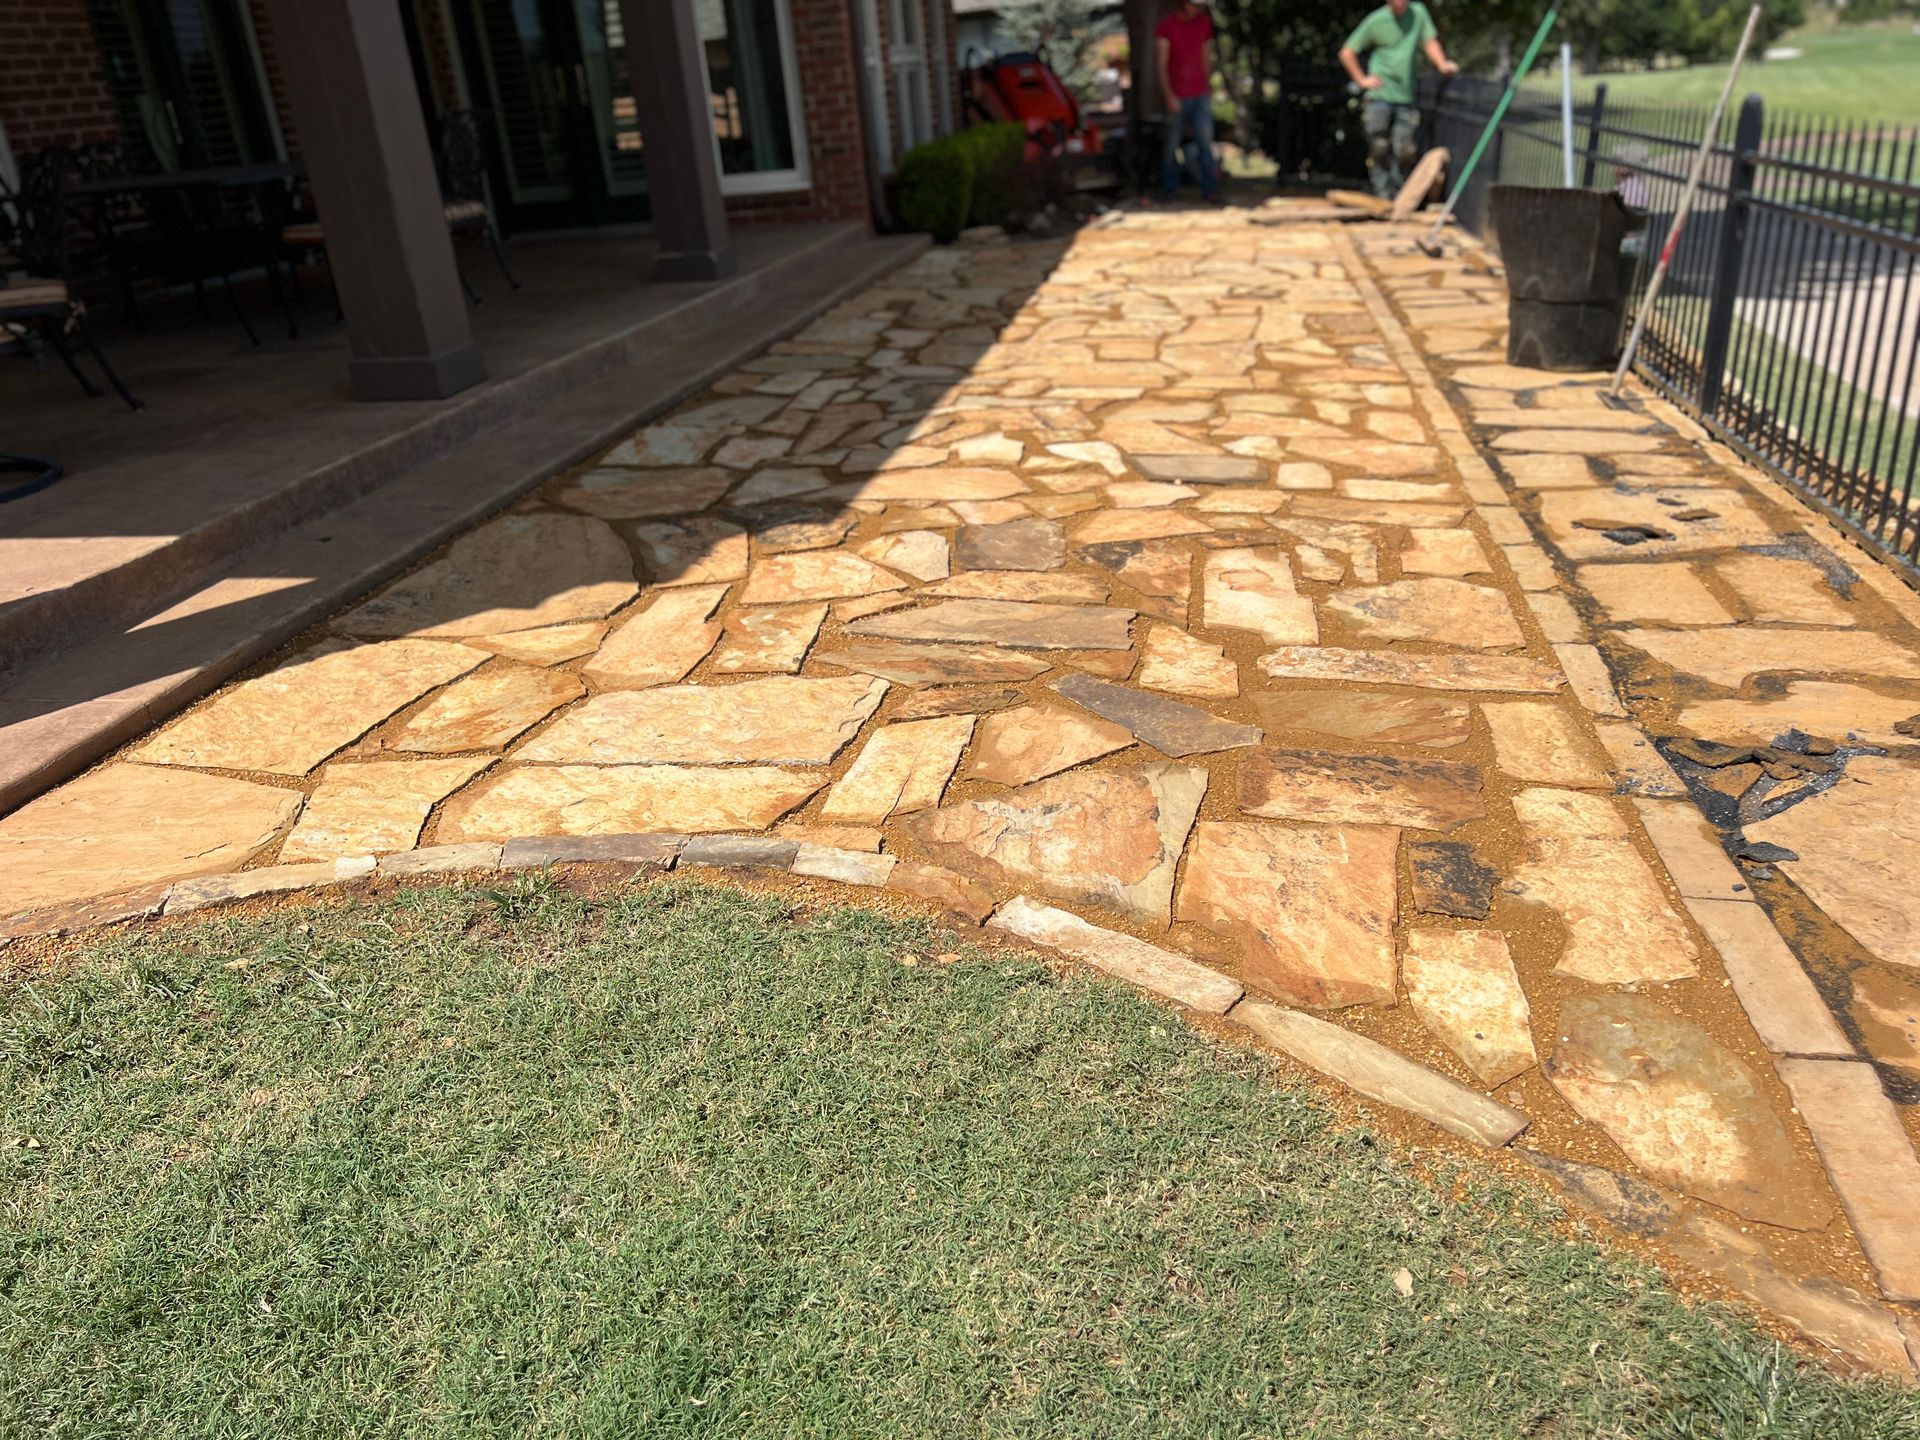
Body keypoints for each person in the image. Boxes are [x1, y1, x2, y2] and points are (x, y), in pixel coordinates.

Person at [1338, 0, 1458, 200]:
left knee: (1404, 149)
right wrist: (1361, 80)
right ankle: (1382, 193)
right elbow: (1347, 52)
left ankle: (1400, 193)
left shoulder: (1418, 13)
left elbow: (1429, 41)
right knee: (1379, 147)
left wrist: (1442, 64)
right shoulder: (1376, 20)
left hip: (1405, 95)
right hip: (1379, 96)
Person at [1154, 1, 1219, 203]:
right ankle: (1170, 190)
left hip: (1200, 94)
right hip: (1177, 95)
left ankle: (1210, 191)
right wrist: (1169, 95)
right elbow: (1161, 64)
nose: (1197, 8)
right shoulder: (1167, 26)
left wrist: (1208, 88)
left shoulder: (1203, 23)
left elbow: (1206, 56)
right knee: (1171, 145)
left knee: (1205, 144)